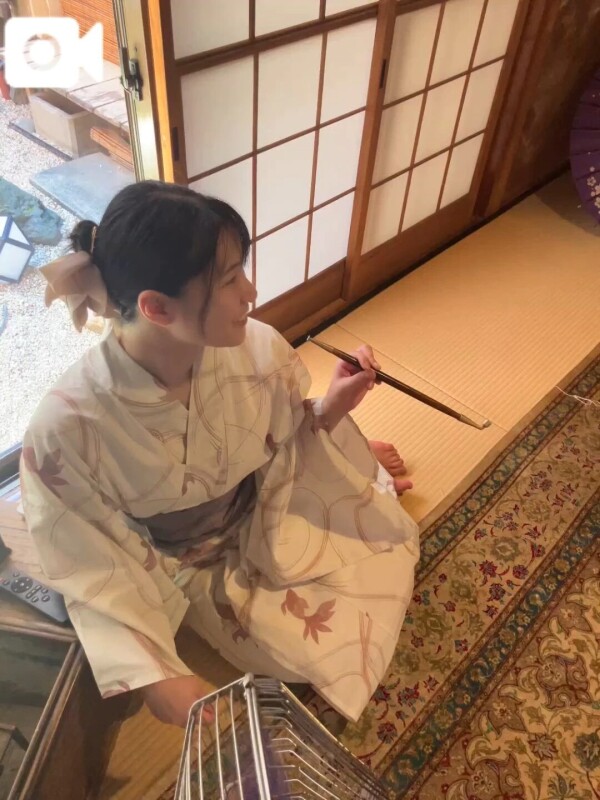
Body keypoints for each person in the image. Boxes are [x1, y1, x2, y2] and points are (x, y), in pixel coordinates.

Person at [20, 181, 420, 727]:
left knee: (380, 547)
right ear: (157, 308)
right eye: (230, 279)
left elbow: (280, 434)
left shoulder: (256, 346)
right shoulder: (67, 426)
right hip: (184, 560)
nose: (250, 293)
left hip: (266, 506)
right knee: (314, 651)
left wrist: (330, 407)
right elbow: (86, 554)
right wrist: (155, 675)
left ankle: (355, 467)